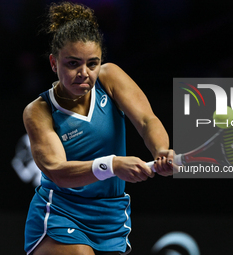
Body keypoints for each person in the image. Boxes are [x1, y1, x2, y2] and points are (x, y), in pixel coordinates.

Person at [23, 2, 174, 255]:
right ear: (53, 62)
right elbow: (57, 172)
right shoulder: (38, 111)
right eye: (73, 64)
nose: (84, 73)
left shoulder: (110, 77)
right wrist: (112, 165)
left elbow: (148, 121)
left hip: (111, 214)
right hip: (62, 211)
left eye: (92, 63)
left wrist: (162, 151)